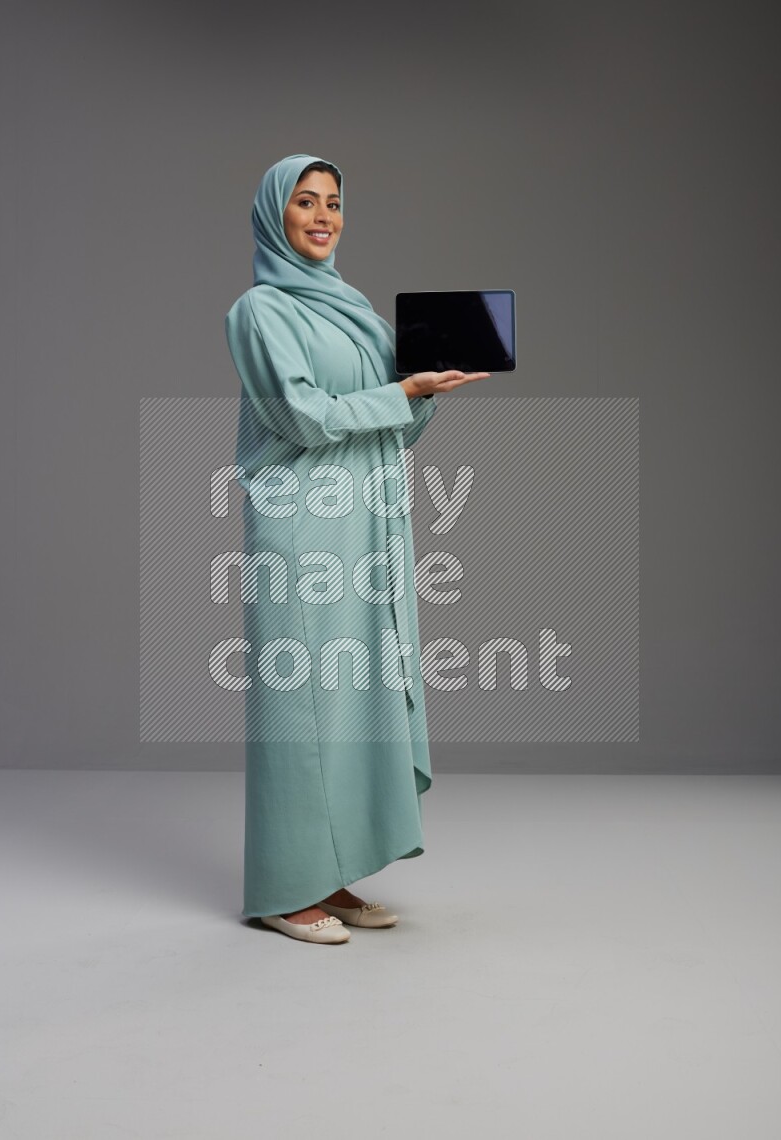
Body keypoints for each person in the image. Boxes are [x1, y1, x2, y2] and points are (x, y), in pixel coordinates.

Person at [224, 154, 491, 944]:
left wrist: (425, 393)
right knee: (300, 705)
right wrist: (398, 392)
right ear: (276, 214)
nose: (322, 216)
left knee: (349, 704)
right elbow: (302, 418)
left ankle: (328, 872)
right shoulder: (260, 309)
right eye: (305, 202)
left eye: (334, 203)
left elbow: (392, 428)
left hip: (364, 522)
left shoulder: (358, 310)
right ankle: (280, 887)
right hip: (304, 525)